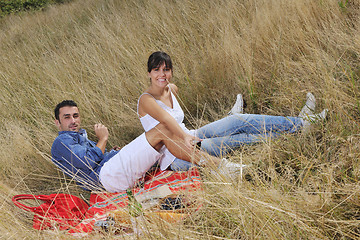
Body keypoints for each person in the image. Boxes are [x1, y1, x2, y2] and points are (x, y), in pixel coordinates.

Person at [137, 51, 327, 171]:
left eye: (166, 70)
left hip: (191, 135)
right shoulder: (146, 101)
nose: (162, 75)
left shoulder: (171, 89)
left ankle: (301, 123)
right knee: (239, 139)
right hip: (176, 157)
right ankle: (293, 135)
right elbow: (167, 123)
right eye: (156, 70)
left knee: (239, 121)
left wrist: (190, 137)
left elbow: (177, 120)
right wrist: (187, 140)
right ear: (149, 73)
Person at [51, 100, 232, 193]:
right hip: (106, 178)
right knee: (161, 130)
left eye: (75, 115)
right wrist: (103, 139)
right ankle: (222, 167)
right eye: (67, 117)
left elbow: (90, 160)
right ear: (57, 123)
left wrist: (113, 152)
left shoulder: (78, 137)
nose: (73, 121)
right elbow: (88, 161)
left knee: (166, 142)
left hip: (111, 172)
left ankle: (218, 162)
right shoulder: (61, 142)